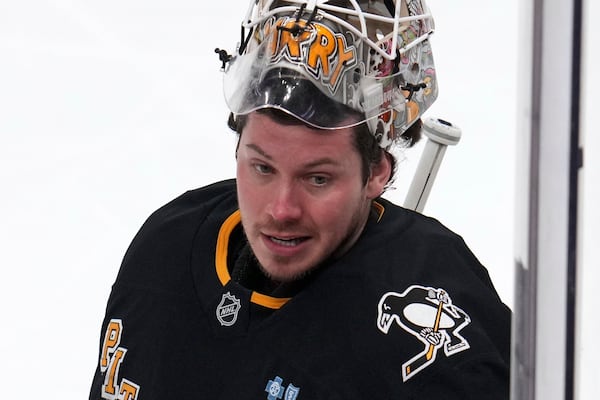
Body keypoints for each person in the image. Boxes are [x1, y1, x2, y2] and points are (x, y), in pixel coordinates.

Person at [89, 1, 510, 399]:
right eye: (262, 168)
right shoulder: (166, 250)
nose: (281, 210)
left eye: (318, 178)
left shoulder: (428, 345)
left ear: (378, 171)